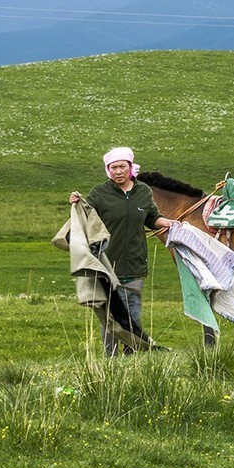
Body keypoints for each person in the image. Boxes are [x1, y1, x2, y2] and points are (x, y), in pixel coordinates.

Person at [69, 147, 175, 346]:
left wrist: (165, 222)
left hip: (134, 264)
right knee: (112, 317)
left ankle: (130, 357)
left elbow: (151, 217)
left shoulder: (143, 191)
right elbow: (85, 215)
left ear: (131, 168)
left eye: (122, 167)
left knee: (132, 314)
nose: (118, 171)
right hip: (107, 264)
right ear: (108, 170)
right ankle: (110, 360)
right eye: (113, 167)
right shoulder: (100, 194)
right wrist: (76, 203)